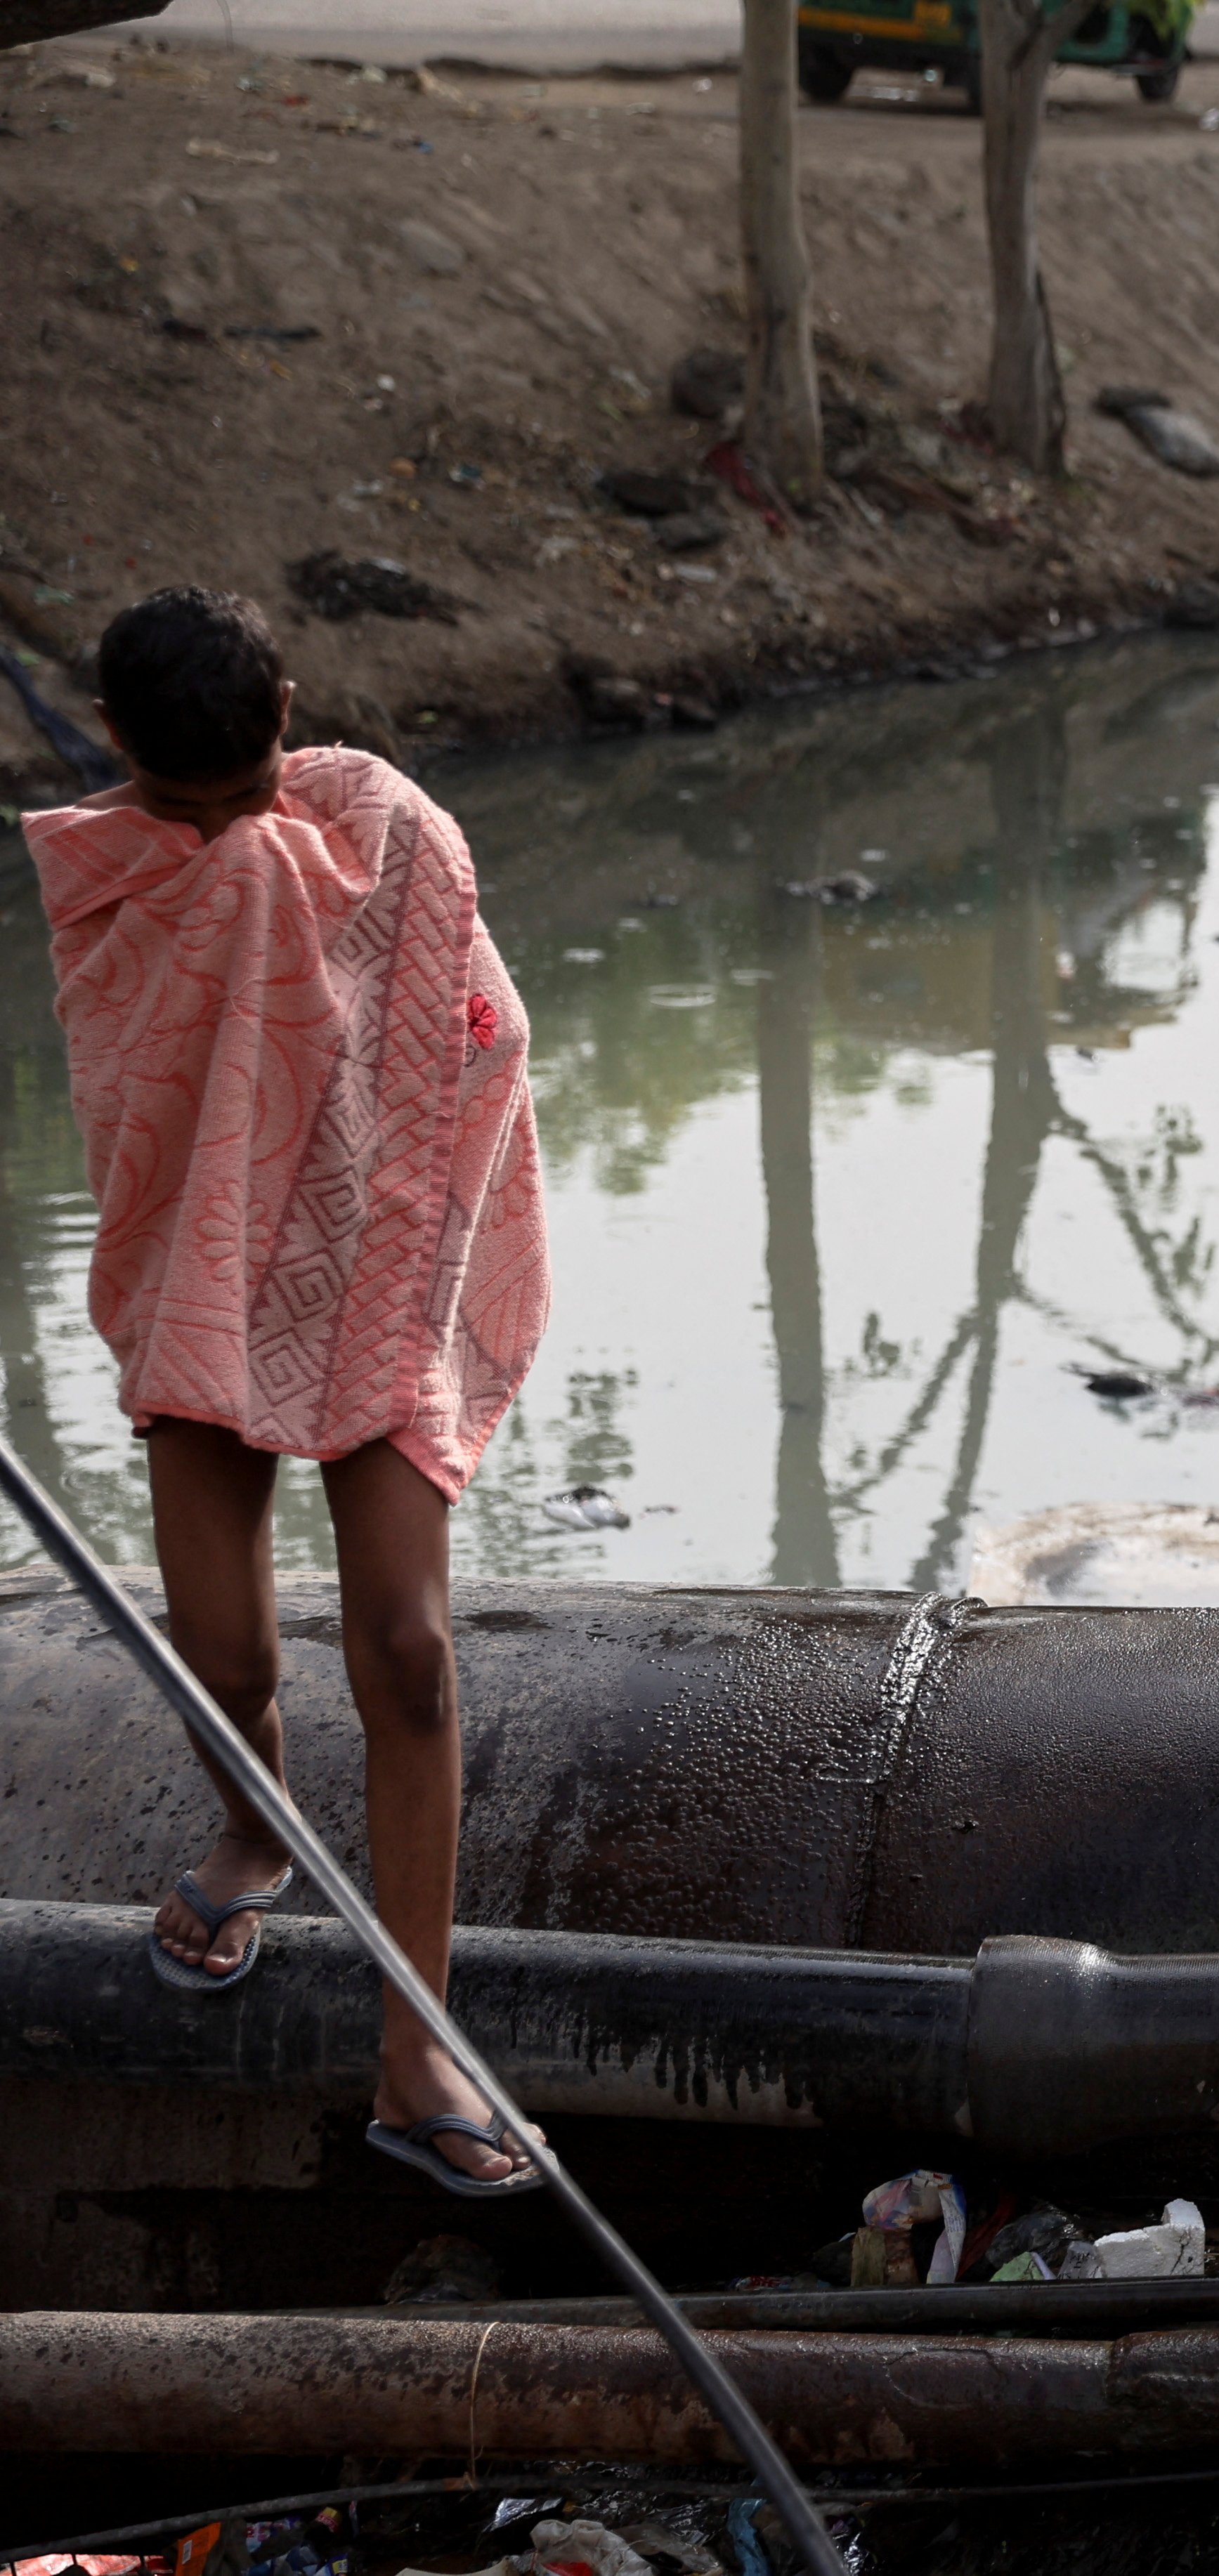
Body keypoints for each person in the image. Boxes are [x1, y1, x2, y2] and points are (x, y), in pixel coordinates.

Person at [20, 588, 554, 2193]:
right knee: (224, 1645)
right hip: (208, 1261)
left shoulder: (377, 816)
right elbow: (133, 1085)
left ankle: (417, 2044)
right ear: (117, 749)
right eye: (198, 805)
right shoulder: (106, 870)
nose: (242, 830)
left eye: (254, 789)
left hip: (376, 1256)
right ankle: (254, 1823)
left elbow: (480, 1023)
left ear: (292, 713)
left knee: (406, 1642)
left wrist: (394, 1156)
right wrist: (215, 852)